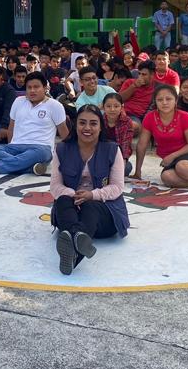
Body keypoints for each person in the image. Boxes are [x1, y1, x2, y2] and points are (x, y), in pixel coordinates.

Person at [49, 105, 130, 275]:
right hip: (71, 208)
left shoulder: (112, 149)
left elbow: (117, 187)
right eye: (82, 123)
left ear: (101, 127)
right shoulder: (62, 149)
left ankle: (73, 240)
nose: (87, 128)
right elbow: (55, 186)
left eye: (93, 123)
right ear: (75, 125)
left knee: (91, 206)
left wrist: (92, 195)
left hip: (104, 216)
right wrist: (74, 194)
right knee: (63, 199)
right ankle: (76, 244)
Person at [0, 72, 69, 176]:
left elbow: (64, 132)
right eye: (29, 87)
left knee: (41, 153)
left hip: (40, 148)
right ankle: (31, 168)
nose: (32, 91)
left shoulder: (55, 105)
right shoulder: (18, 101)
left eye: (36, 87)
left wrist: (71, 156)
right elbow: (11, 127)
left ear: (45, 88)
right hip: (15, 146)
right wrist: (11, 145)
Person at [119, 60, 156, 131]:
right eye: (139, 74)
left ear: (152, 75)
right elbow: (120, 99)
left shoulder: (156, 88)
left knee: (133, 126)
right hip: (121, 111)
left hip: (135, 117)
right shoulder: (130, 82)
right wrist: (134, 86)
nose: (140, 77)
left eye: (144, 74)